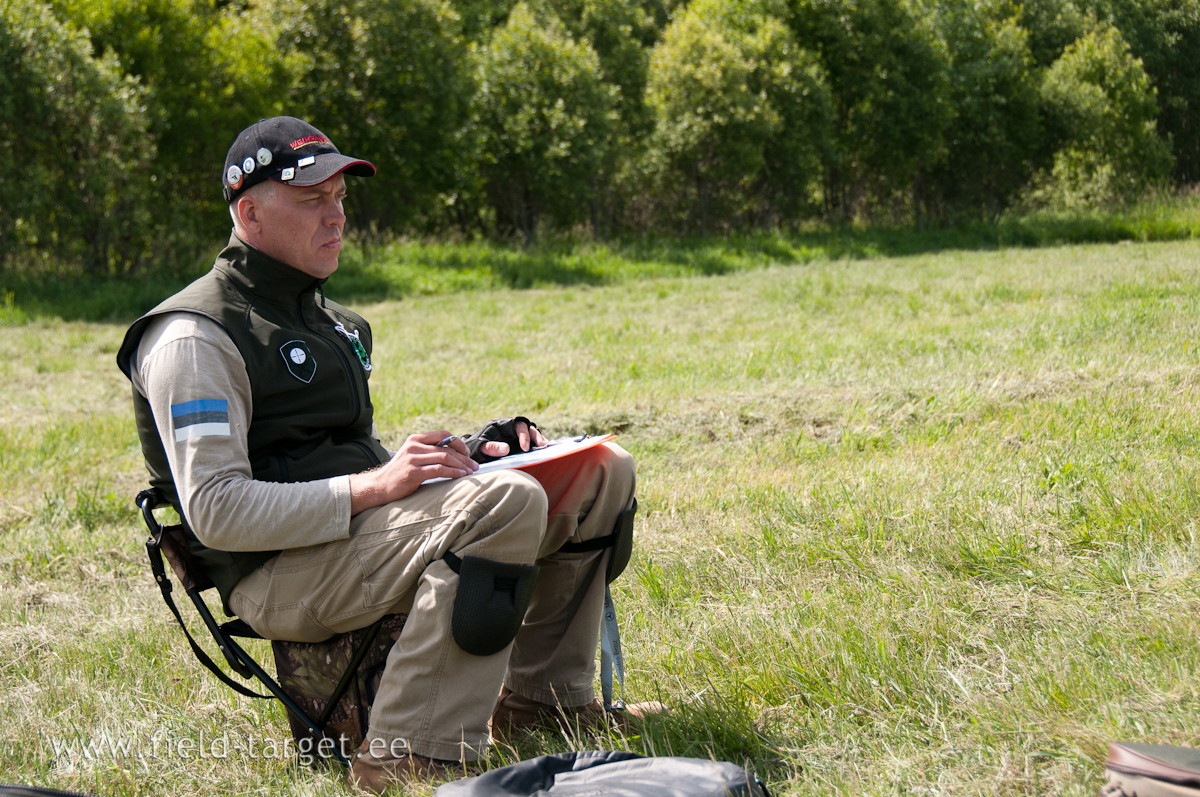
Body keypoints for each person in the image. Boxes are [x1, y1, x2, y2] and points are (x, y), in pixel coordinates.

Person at [116, 117, 654, 793]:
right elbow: (218, 511)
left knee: (600, 472)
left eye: (340, 198)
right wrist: (380, 485)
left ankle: (546, 708)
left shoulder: (333, 320)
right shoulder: (194, 335)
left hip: (344, 541)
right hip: (274, 571)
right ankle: (405, 757)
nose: (336, 216)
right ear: (249, 211)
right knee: (505, 505)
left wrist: (464, 453)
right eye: (313, 200)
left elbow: (343, 457)